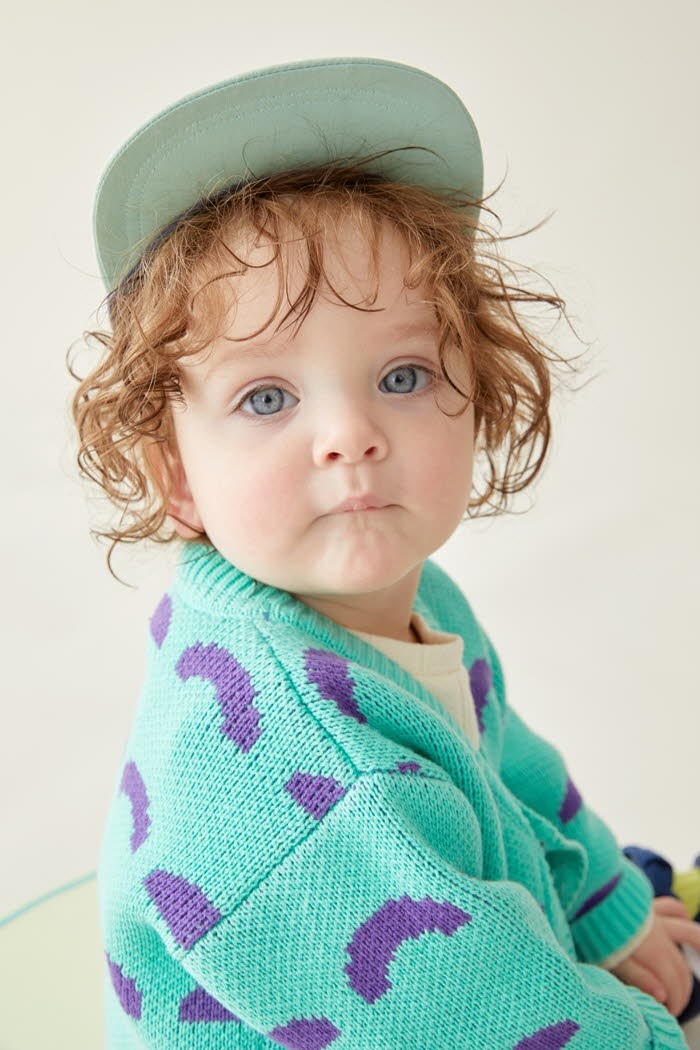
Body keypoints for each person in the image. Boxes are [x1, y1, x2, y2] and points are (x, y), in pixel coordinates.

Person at [70, 56, 699, 1049]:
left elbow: (507, 765)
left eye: (402, 375)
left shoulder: (419, 599)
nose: (350, 436)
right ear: (177, 477)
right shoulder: (295, 790)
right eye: (267, 397)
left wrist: (606, 911)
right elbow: (475, 1017)